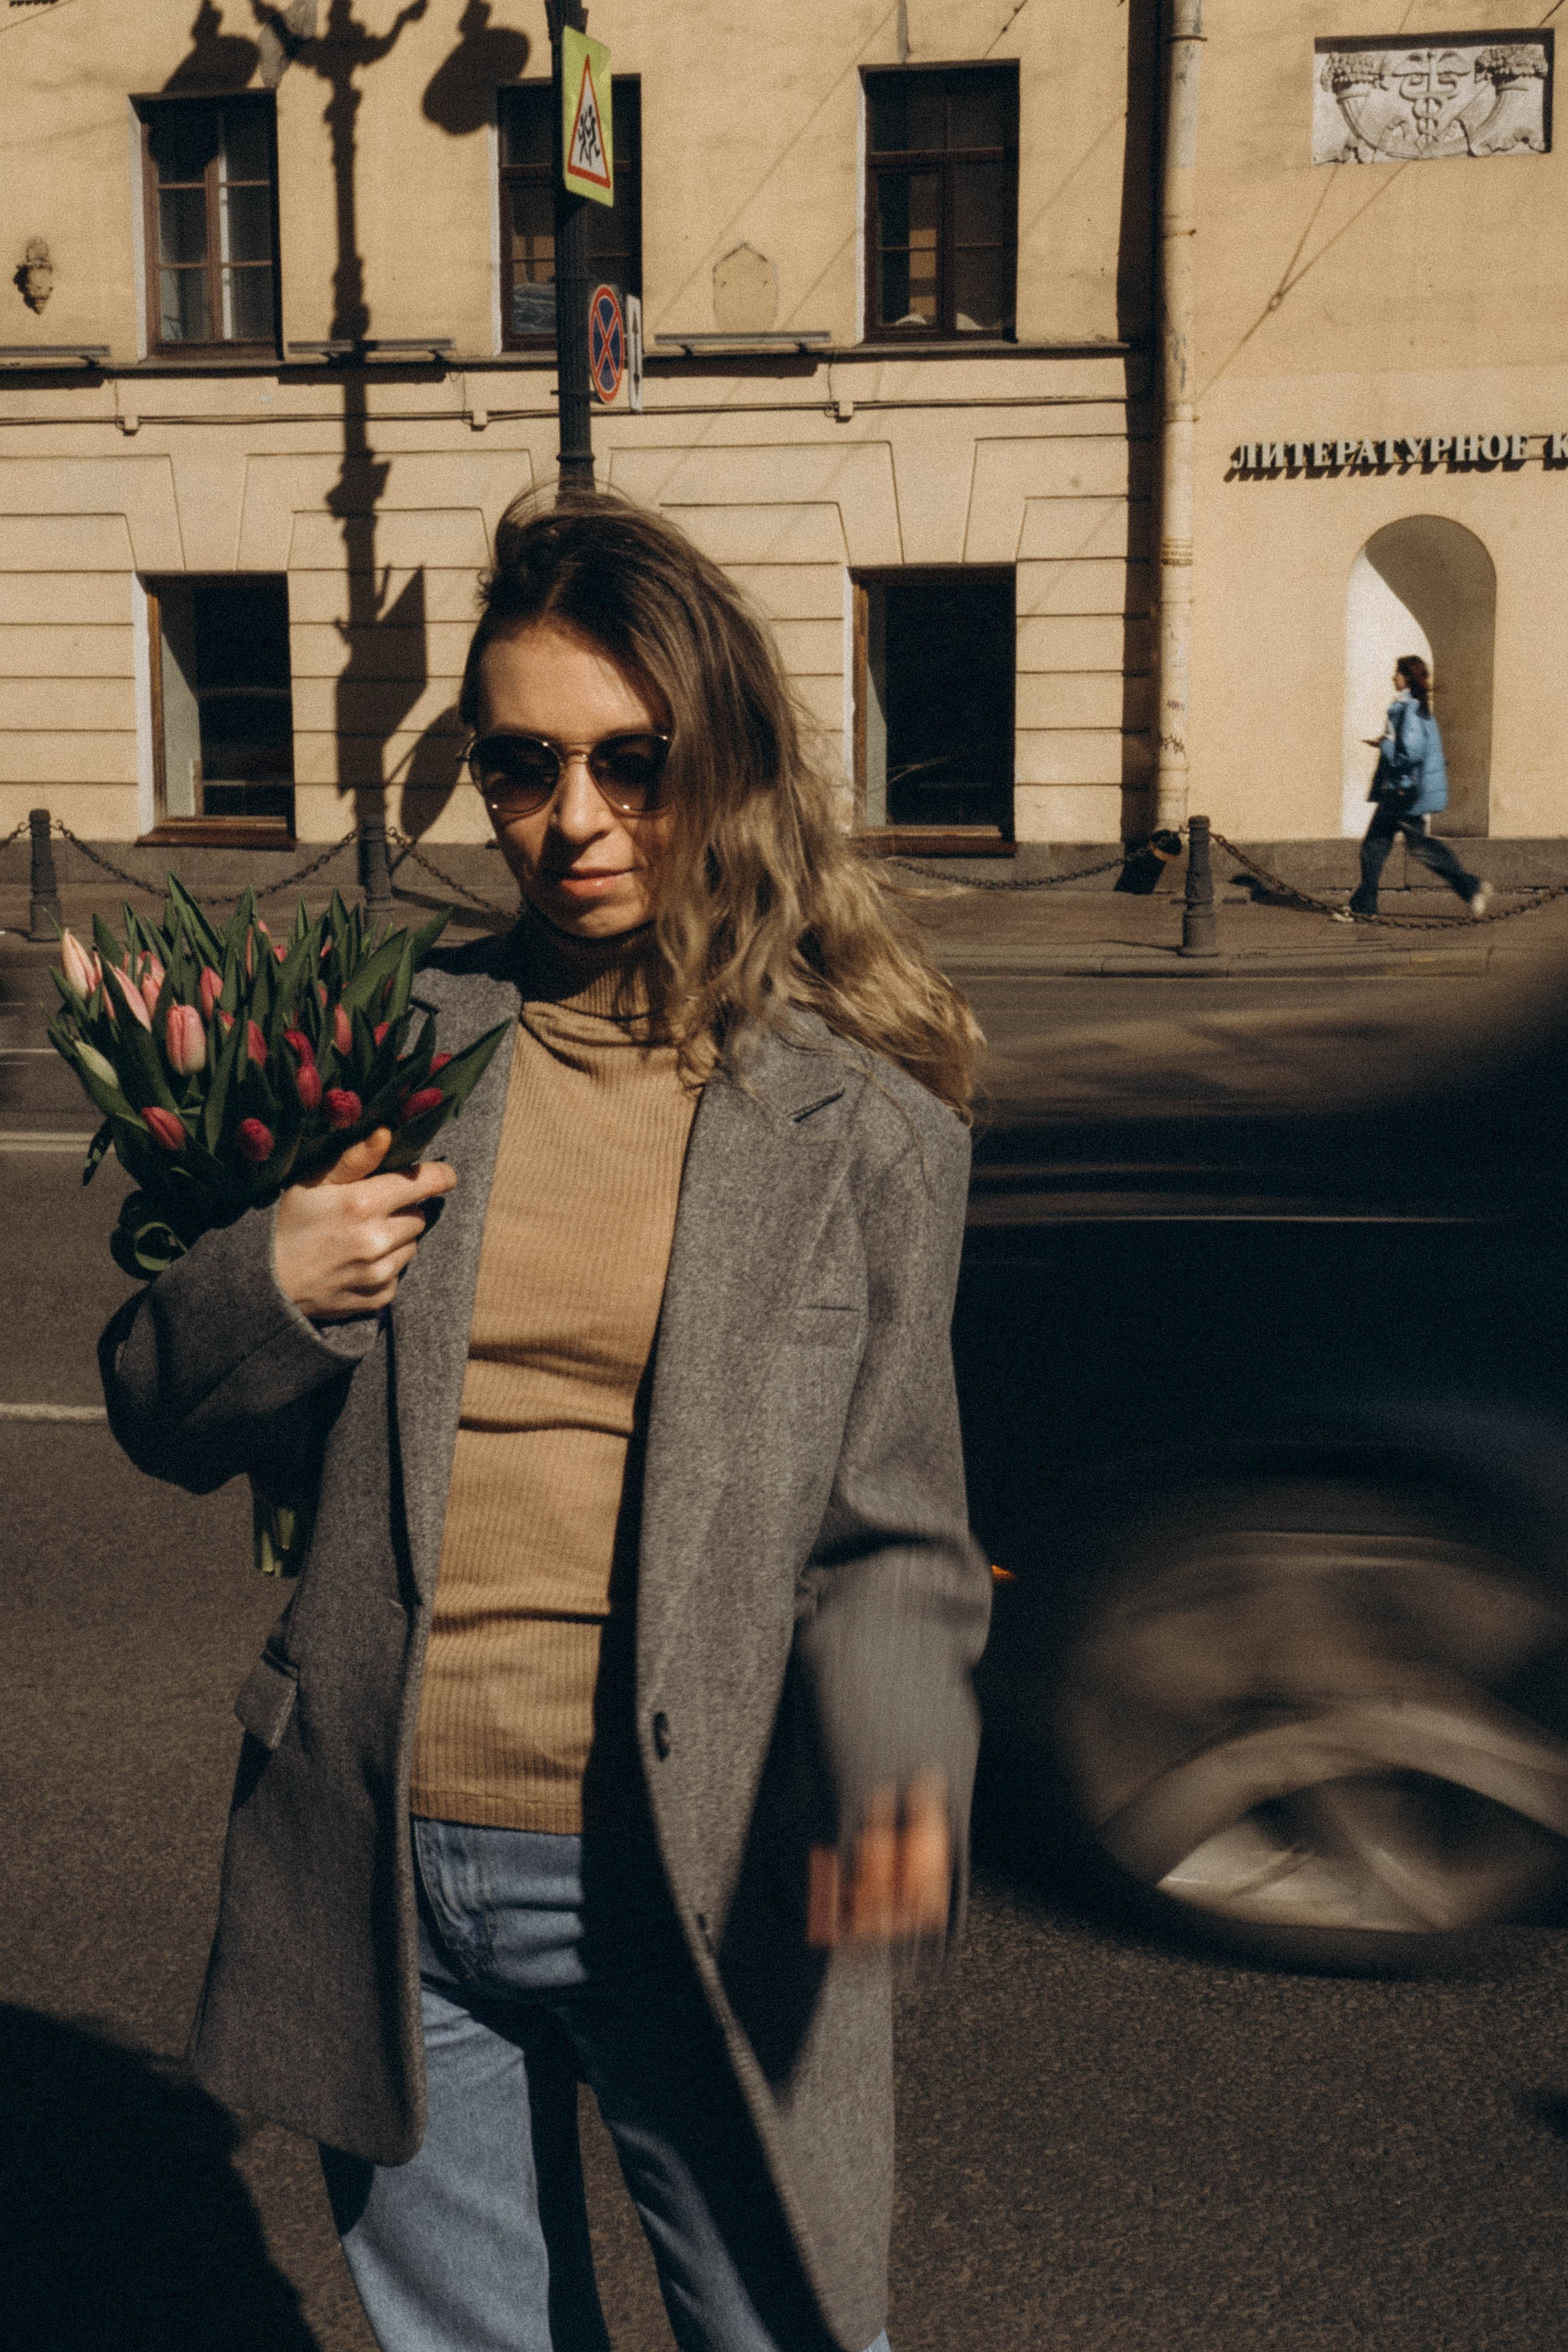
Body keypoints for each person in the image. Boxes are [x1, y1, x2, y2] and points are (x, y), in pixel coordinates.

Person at [100, 492, 992, 2352]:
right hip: (387, 1857)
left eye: (628, 761)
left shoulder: (861, 1130)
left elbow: (894, 1536)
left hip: (697, 1865)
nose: (572, 819)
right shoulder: (385, 1045)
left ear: (722, 757)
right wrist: (270, 1277)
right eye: (520, 765)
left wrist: (900, 1758)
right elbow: (157, 1408)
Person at [1336, 654, 1491, 921]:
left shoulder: (1408, 708)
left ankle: (1471, 887)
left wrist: (1385, 745)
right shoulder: (1415, 707)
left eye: (1396, 673)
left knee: (1385, 848)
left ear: (1406, 677)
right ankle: (1470, 888)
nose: (1393, 678)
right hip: (1403, 791)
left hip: (1401, 793)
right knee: (1393, 847)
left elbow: (1411, 753)